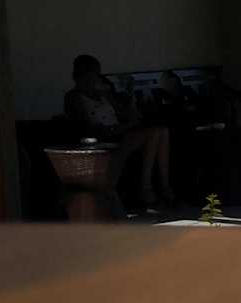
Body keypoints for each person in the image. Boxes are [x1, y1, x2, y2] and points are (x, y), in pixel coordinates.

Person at [63, 54, 172, 213]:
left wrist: (127, 98)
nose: (96, 78)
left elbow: (125, 115)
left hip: (121, 131)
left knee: (161, 131)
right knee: (151, 134)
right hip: (102, 135)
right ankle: (147, 188)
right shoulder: (74, 97)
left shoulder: (103, 94)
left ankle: (162, 185)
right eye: (94, 74)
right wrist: (125, 126)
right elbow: (85, 125)